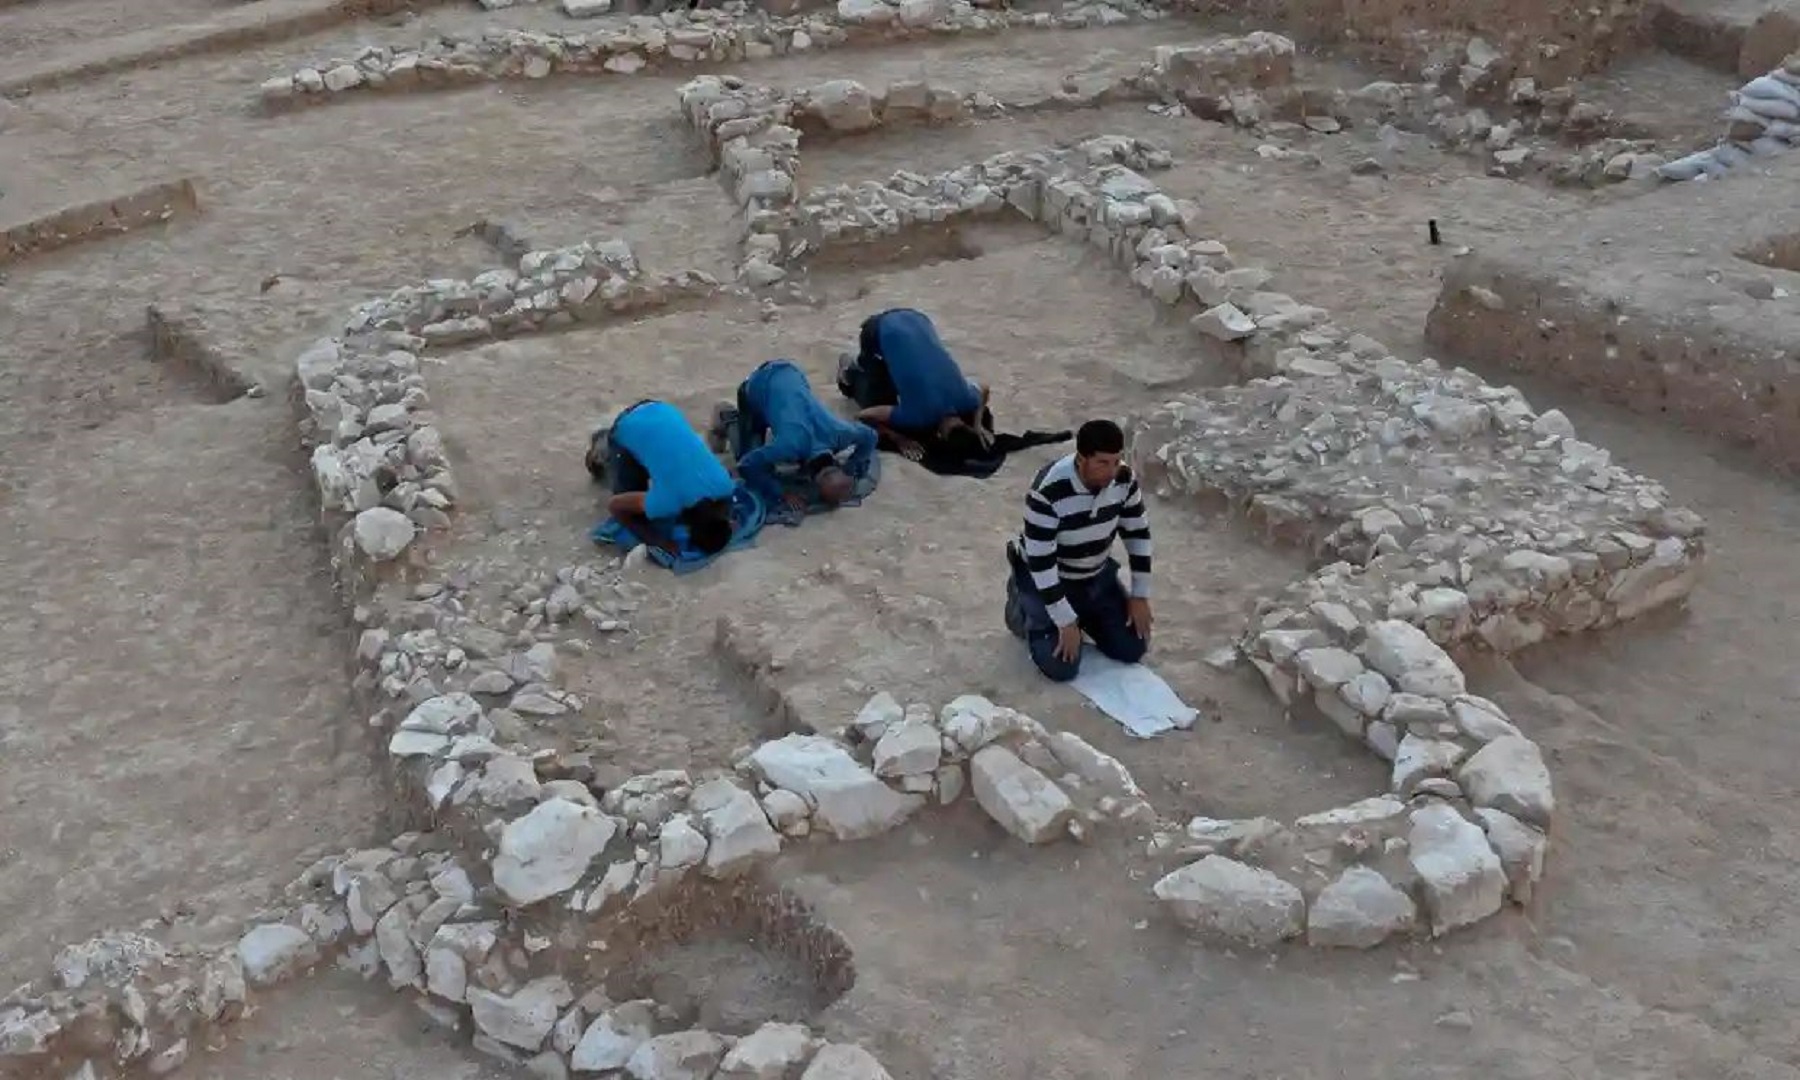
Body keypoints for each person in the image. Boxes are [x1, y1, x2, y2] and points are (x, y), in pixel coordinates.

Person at [1003, 419, 1154, 682]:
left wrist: (1139, 596)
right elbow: (1041, 562)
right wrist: (1064, 621)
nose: (1111, 471)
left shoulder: (1123, 479)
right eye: (1103, 463)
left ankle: (1084, 613)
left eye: (1116, 461)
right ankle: (1021, 603)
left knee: (1133, 648)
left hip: (1094, 574)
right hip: (1050, 579)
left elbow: (1137, 534)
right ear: (1081, 459)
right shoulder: (1047, 491)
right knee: (1062, 667)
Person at [714, 360, 879, 515]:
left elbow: (870, 435)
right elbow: (748, 464)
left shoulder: (839, 434)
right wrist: (781, 493)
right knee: (745, 456)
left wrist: (853, 465)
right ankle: (726, 417)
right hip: (758, 383)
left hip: (793, 373)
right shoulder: (791, 445)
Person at [836, 308, 995, 462]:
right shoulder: (919, 416)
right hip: (875, 329)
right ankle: (848, 372)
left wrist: (977, 423)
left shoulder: (966, 400)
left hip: (917, 318)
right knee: (872, 395)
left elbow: (985, 388)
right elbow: (863, 416)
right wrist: (899, 439)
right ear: (940, 434)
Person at [586, 399, 736, 556]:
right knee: (633, 510)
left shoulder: (725, 485)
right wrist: (658, 541)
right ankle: (602, 443)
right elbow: (615, 506)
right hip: (629, 423)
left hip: (663, 411)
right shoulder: (667, 502)